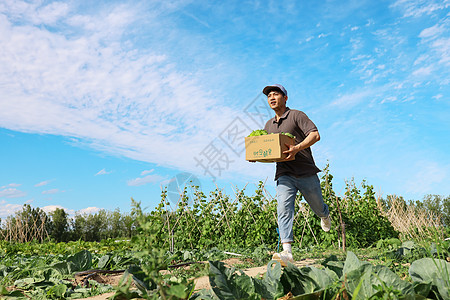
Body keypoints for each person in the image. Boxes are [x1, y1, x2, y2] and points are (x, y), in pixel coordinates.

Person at [261, 84, 331, 266]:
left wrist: (297, 148)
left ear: (285, 98)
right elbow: (267, 150)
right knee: (283, 208)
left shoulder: (297, 115)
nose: (272, 97)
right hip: (285, 173)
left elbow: (315, 135)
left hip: (305, 171)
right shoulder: (268, 125)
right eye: (269, 96)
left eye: (276, 94)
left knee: (317, 205)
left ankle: (324, 214)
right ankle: (287, 252)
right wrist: (258, 156)